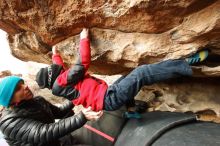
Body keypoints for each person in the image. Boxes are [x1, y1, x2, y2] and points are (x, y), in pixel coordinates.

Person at [36, 28, 209, 112]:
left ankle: (131, 110)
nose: (57, 67)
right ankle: (186, 64)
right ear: (53, 76)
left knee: (127, 77)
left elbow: (60, 70)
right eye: (53, 68)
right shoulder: (61, 80)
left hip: (107, 98)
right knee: (141, 73)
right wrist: (84, 39)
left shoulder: (59, 85)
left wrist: (55, 54)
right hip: (110, 97)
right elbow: (82, 65)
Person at [0, 76, 103, 146]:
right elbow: (42, 133)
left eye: (22, 83)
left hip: (56, 141)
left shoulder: (38, 100)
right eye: (18, 88)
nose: (25, 86)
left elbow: (59, 112)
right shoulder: (9, 122)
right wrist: (82, 116)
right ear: (9, 99)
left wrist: (77, 96)